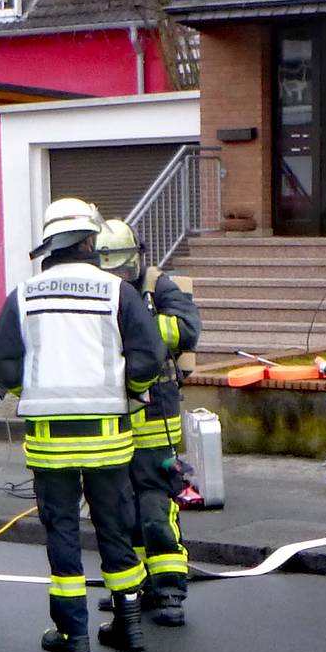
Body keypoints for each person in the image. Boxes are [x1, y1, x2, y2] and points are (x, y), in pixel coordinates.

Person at [0, 207, 165, 652]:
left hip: (50, 441)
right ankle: (128, 625)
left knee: (62, 531)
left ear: (52, 245)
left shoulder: (24, 294)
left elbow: (1, 361)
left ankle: (72, 633)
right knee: (115, 528)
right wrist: (130, 391)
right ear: (88, 242)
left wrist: (31, 391)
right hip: (108, 437)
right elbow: (149, 355)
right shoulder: (116, 291)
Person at [97, 218, 201, 626]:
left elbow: (186, 329)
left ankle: (170, 590)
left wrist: (135, 320)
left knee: (156, 509)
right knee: (121, 513)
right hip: (113, 417)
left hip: (156, 419)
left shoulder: (160, 286)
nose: (121, 278)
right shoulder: (97, 291)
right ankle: (135, 587)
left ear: (137, 259)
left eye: (126, 269)